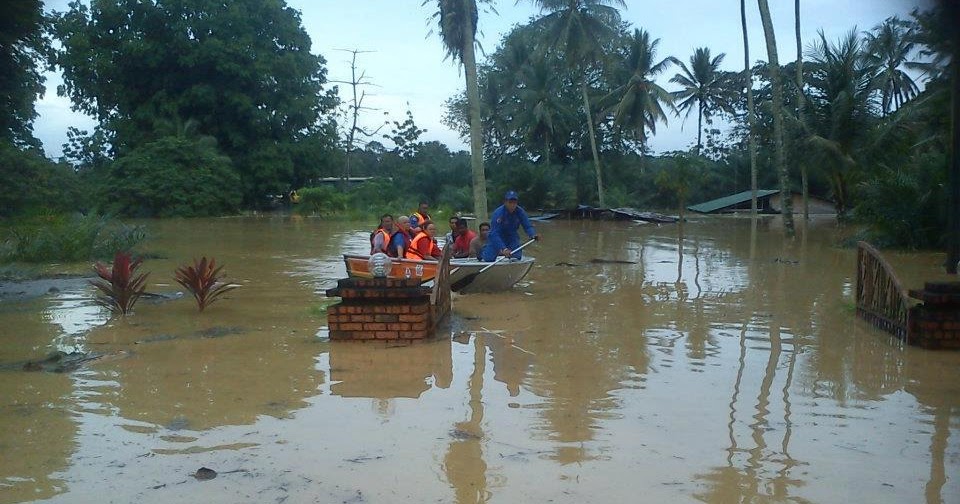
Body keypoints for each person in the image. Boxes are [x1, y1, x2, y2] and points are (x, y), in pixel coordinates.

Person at [481, 191, 540, 262]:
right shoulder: (498, 213)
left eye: (514, 202)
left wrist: (533, 234)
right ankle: (483, 251)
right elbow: (494, 233)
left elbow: (527, 226)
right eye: (510, 202)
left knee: (516, 257)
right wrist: (503, 248)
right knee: (488, 258)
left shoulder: (520, 212)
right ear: (505, 202)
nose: (512, 205)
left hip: (512, 236)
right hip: (498, 236)